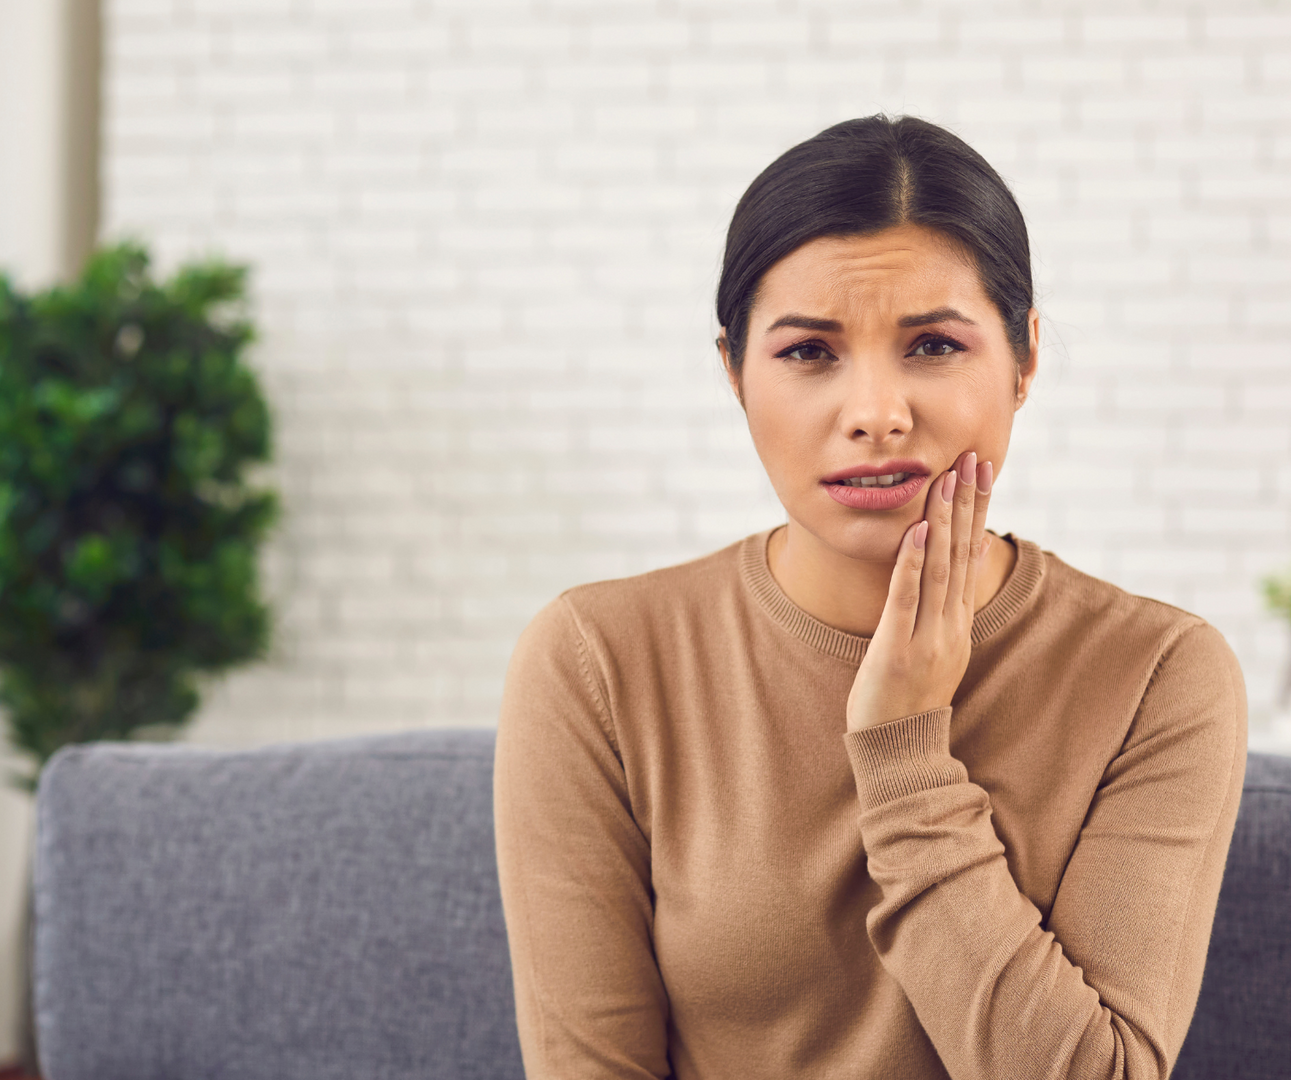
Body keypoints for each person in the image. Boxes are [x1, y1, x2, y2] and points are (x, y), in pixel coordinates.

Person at [493, 114, 1248, 1080]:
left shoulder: (1157, 673)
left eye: (933, 346)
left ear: (1023, 361)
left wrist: (904, 758)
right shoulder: (596, 659)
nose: (877, 414)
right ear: (733, 373)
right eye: (809, 353)